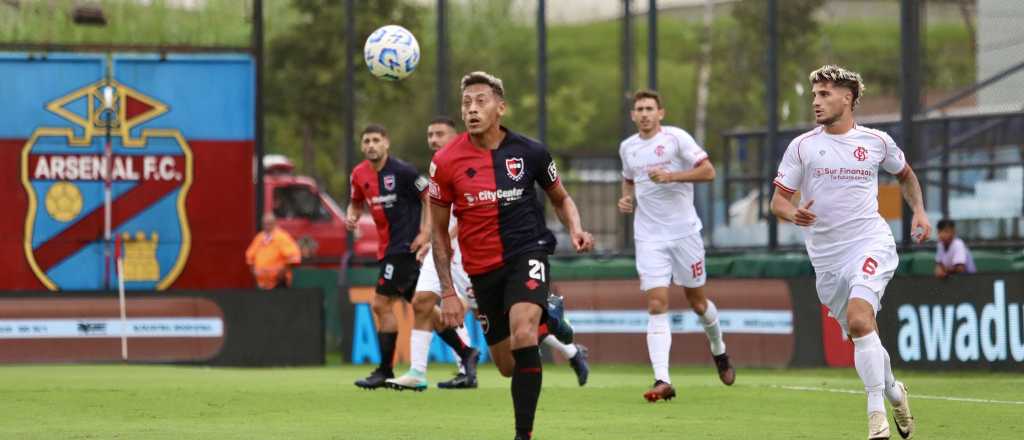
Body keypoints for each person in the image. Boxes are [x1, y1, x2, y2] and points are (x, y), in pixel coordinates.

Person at [430, 72, 594, 440]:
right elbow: (438, 233)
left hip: (526, 252)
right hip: (481, 268)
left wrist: (576, 228)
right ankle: (549, 320)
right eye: (466, 103)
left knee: (523, 335)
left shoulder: (531, 152)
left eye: (481, 101)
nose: (472, 109)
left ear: (500, 107)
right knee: (506, 365)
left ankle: (523, 435)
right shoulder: (444, 162)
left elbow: (560, 197)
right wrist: (448, 291)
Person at [770, 65, 927, 440]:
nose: (816, 102)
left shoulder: (876, 141)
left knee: (860, 320)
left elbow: (904, 174)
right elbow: (778, 201)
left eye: (825, 94)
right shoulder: (803, 146)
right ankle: (893, 391)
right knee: (862, 330)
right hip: (827, 260)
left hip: (870, 242)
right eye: (814, 95)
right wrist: (794, 213)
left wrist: (919, 210)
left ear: (848, 98)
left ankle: (876, 418)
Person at [388, 117, 591, 392]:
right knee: (423, 301)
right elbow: (434, 212)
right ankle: (421, 371)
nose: (434, 140)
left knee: (515, 327)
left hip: (472, 252)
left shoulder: (480, 160)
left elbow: (471, 213)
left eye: (440, 134)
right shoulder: (441, 165)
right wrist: (432, 238)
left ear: (457, 136)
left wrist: (442, 237)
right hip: (441, 252)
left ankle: (566, 344)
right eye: (430, 134)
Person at [617, 89, 735, 403]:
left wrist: (672, 177)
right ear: (633, 115)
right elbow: (629, 180)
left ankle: (719, 351)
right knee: (657, 304)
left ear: (661, 113)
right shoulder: (628, 148)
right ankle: (662, 379)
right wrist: (627, 198)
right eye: (639, 109)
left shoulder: (676, 139)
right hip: (649, 237)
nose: (644, 114)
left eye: (649, 108)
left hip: (684, 234)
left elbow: (708, 171)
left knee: (698, 303)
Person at [346, 123, 431, 390]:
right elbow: (356, 201)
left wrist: (426, 233)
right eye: (366, 141)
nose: (371, 145)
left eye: (375, 140)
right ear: (362, 146)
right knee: (424, 306)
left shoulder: (403, 171)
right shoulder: (359, 174)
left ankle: (384, 369)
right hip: (386, 249)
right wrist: (352, 214)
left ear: (386, 143)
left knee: (381, 304)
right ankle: (465, 352)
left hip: (403, 248)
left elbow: (429, 196)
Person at [244, 213, 301, 289]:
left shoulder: (282, 237)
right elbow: (249, 256)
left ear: (275, 223)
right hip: (261, 284)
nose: (267, 226)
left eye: (270, 223)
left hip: (279, 283)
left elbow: (294, 257)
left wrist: (282, 273)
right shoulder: (259, 238)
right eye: (265, 224)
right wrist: (253, 271)